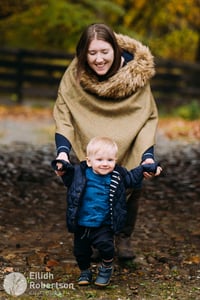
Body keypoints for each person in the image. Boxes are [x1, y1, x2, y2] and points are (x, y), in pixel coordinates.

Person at [53, 23, 162, 259]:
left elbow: (147, 117)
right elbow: (64, 112)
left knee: (132, 184)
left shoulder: (136, 74)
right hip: (94, 146)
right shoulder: (75, 75)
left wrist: (147, 155)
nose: (99, 59)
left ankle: (124, 237)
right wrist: (62, 151)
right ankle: (93, 238)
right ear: (83, 54)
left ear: (115, 49)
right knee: (91, 188)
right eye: (92, 53)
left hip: (130, 141)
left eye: (105, 52)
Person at [52, 136, 160, 286]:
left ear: (115, 161)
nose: (105, 164)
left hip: (105, 223)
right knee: (80, 252)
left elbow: (133, 177)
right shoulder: (79, 173)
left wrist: (148, 167)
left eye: (110, 160)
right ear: (89, 161)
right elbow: (65, 171)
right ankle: (85, 271)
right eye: (100, 159)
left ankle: (106, 267)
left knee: (107, 247)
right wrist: (60, 166)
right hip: (82, 223)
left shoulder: (118, 175)